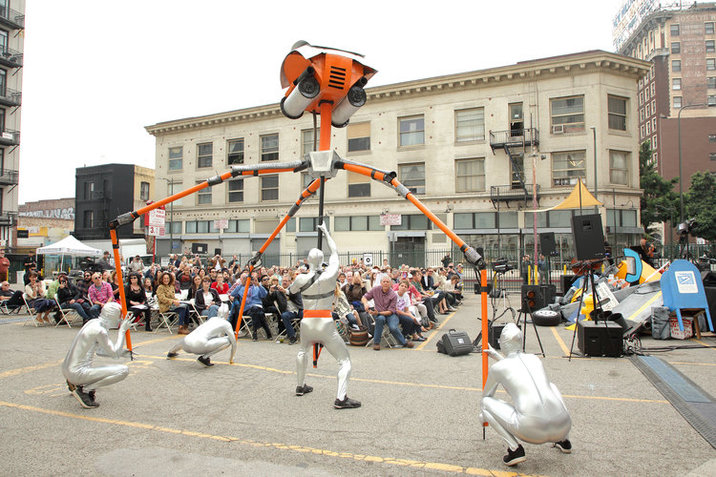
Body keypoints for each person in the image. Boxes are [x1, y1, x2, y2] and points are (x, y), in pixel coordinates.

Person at [480, 323, 572, 467]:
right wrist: (497, 356)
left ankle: (514, 449)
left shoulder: (498, 368)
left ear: (503, 344)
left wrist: (484, 416)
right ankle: (564, 440)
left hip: (531, 431)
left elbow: (487, 395)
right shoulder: (534, 360)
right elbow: (516, 367)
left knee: (485, 403)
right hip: (563, 426)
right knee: (551, 386)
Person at [291, 222, 360, 409]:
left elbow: (291, 290)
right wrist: (326, 232)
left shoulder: (300, 277)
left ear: (307, 260)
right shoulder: (330, 275)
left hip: (307, 321)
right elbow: (335, 253)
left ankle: (300, 385)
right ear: (322, 261)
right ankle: (341, 397)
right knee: (344, 361)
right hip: (324, 322)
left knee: (302, 350)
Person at [62, 302, 133, 409]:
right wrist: (122, 331)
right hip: (77, 373)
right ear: (112, 316)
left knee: (110, 370)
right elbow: (114, 354)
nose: (119, 320)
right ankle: (84, 389)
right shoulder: (100, 331)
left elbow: (100, 351)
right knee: (124, 370)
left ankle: (78, 384)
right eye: (119, 317)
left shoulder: (93, 323)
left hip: (67, 369)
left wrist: (122, 352)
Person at [362, 276, 414, 351]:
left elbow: (390, 311)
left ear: (390, 284)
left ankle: (403, 342)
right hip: (379, 314)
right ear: (381, 283)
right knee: (380, 319)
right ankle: (376, 343)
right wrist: (365, 304)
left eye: (387, 282)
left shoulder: (393, 295)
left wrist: (378, 312)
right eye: (384, 282)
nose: (385, 283)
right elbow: (364, 297)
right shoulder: (375, 290)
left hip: (390, 314)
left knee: (393, 327)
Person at [166, 314, 237, 367]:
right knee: (228, 341)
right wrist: (231, 358)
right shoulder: (227, 324)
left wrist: (171, 352)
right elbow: (233, 342)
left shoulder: (212, 320)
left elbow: (216, 337)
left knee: (193, 335)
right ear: (227, 315)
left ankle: (171, 352)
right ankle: (204, 358)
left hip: (186, 343)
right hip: (199, 345)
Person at [228, 272, 271, 340]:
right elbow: (232, 294)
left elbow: (264, 295)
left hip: (257, 308)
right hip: (246, 309)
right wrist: (241, 284)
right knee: (258, 313)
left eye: (252, 279)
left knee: (256, 310)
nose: (250, 281)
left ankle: (255, 332)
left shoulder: (257, 287)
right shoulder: (241, 288)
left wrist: (259, 285)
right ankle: (267, 330)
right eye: (248, 279)